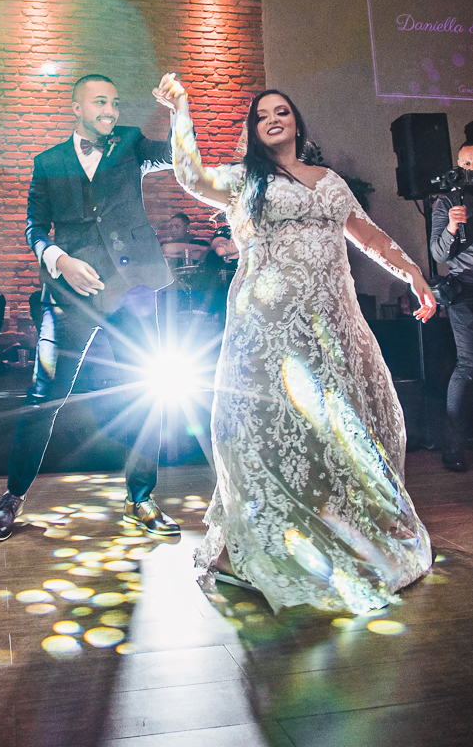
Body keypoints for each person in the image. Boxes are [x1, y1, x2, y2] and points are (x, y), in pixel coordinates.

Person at [153, 74, 435, 615]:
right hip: (268, 325)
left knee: (345, 425)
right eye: (262, 115)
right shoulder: (243, 179)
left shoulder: (329, 180)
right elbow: (190, 176)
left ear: (297, 124)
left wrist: (413, 273)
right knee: (270, 426)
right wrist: (180, 111)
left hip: (333, 322)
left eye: (281, 111)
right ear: (253, 130)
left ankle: (348, 535)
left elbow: (371, 238)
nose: (273, 119)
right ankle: (265, 539)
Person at [0, 74, 181, 543]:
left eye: (115, 103)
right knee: (43, 395)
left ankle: (140, 498)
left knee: (146, 391)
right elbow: (34, 227)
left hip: (132, 290)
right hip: (69, 295)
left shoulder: (130, 143)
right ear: (77, 108)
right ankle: (13, 496)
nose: (110, 111)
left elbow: (177, 155)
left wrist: (179, 111)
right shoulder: (48, 162)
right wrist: (60, 260)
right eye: (100, 102)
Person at [430, 141, 473, 472]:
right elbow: (439, 254)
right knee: (468, 365)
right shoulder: (446, 201)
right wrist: (452, 227)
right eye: (465, 164)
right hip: (465, 288)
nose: (469, 170)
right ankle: (454, 445)